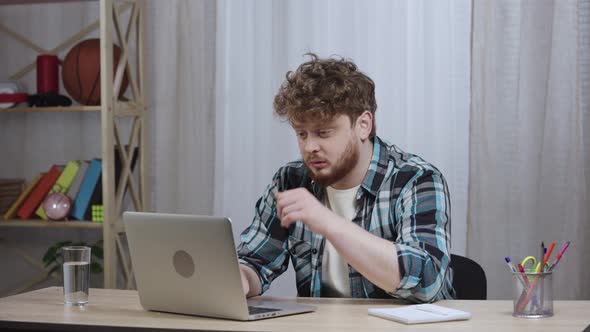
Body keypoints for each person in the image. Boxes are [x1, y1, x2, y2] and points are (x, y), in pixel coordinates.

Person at [237, 53, 455, 303]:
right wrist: (236, 280)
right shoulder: (291, 180)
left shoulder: (416, 179)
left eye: (323, 133)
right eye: (302, 133)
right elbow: (254, 261)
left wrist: (328, 222)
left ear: (363, 125)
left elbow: (427, 282)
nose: (310, 147)